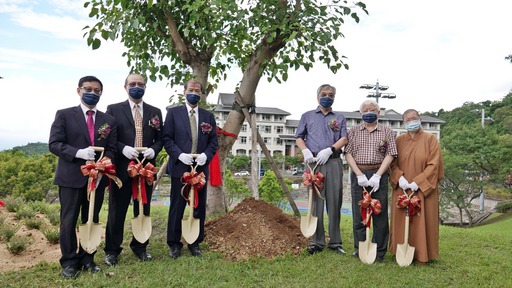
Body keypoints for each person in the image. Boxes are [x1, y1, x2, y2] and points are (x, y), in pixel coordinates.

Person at [49, 75, 117, 279]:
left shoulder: (109, 120)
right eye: (88, 89)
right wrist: (78, 153)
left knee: (91, 219)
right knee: (68, 220)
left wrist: (103, 164)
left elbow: (111, 149)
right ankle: (69, 262)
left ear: (101, 93)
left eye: (97, 90)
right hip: (70, 177)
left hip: (96, 179)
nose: (92, 93)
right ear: (78, 90)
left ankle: (88, 258)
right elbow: (54, 144)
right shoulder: (64, 115)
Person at [103, 74, 163, 266]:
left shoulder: (155, 111)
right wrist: (123, 148)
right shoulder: (113, 109)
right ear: (125, 86)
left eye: (140, 84)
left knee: (143, 209)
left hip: (146, 168)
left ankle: (140, 246)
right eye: (133, 84)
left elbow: (161, 138)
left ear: (145, 87)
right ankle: (112, 250)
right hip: (122, 168)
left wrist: (154, 149)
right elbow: (109, 138)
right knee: (116, 211)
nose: (136, 87)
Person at [162, 79, 218, 258]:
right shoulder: (173, 113)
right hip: (180, 167)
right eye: (191, 89)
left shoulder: (208, 116)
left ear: (201, 94)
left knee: (199, 206)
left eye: (197, 90)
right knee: (177, 206)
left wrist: (205, 156)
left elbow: (213, 142)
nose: (194, 92)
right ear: (184, 91)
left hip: (200, 168)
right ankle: (174, 243)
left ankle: (195, 242)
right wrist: (179, 155)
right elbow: (167, 139)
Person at [295, 84, 349, 255]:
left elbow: (344, 138)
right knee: (315, 202)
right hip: (313, 162)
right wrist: (305, 150)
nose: (327, 96)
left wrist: (331, 149)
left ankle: (335, 242)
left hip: (332, 161)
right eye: (324, 94)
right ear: (317, 96)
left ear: (335, 97)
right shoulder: (307, 116)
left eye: (331, 94)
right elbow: (299, 137)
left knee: (334, 201)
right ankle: (316, 241)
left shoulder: (339, 117)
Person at [345, 99, 397, 263]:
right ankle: (360, 248)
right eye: (366, 110)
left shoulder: (387, 131)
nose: (369, 112)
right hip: (358, 173)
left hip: (378, 173)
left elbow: (391, 154)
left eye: (372, 109)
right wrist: (359, 174)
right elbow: (348, 153)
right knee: (359, 211)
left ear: (378, 113)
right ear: (361, 113)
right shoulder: (353, 131)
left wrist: (378, 175)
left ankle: (379, 251)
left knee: (379, 212)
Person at [389, 109, 444, 265]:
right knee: (402, 218)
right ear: (404, 122)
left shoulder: (430, 139)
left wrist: (418, 182)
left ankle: (422, 254)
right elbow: (392, 163)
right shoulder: (398, 140)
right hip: (403, 187)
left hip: (423, 189)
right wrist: (399, 178)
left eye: (414, 118)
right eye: (408, 119)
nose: (411, 121)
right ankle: (399, 250)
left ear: (420, 119)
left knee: (422, 220)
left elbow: (434, 165)